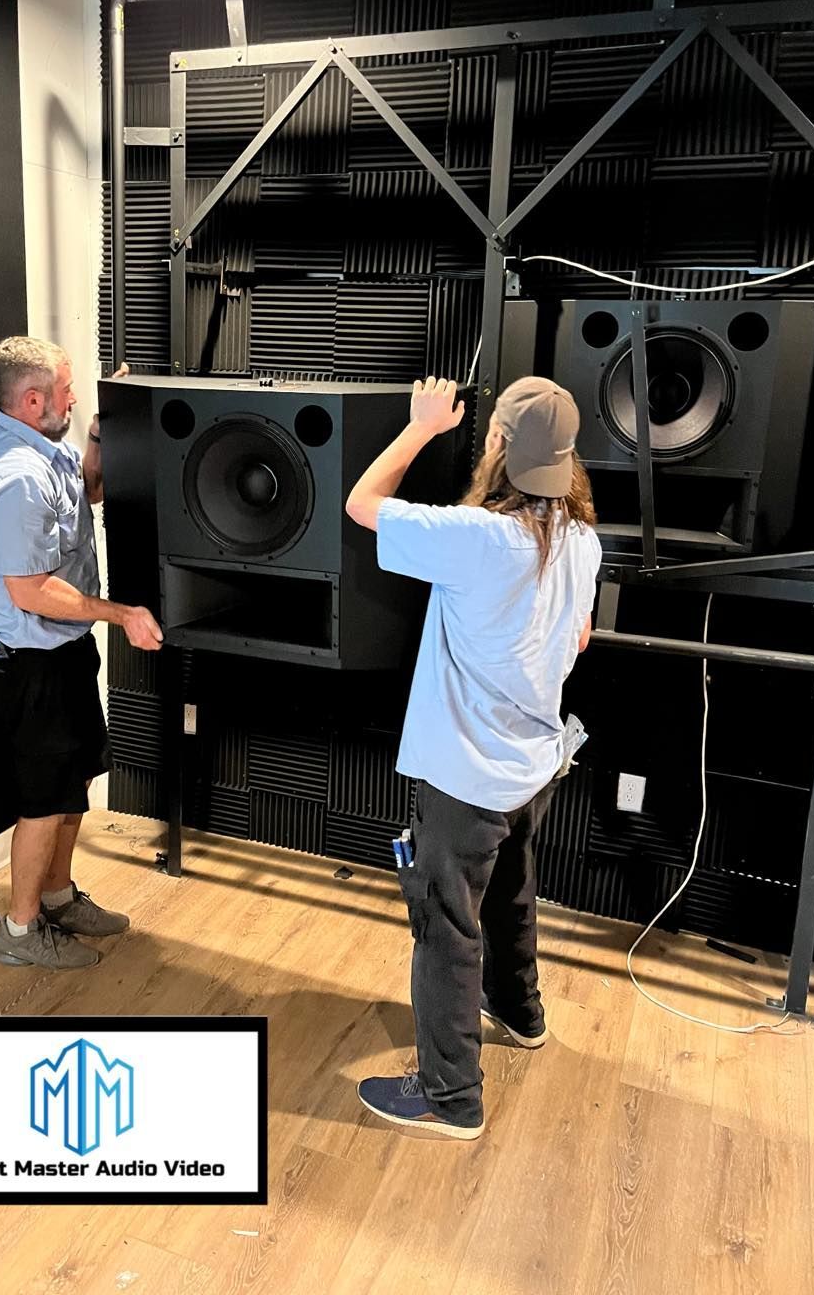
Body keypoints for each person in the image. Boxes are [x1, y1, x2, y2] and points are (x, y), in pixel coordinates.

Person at [345, 375, 601, 1139]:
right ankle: (521, 1013)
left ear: (496, 444)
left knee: (445, 925)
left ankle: (450, 1097)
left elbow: (362, 503)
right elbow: (580, 636)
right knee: (510, 892)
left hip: (465, 776)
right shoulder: (583, 540)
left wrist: (423, 426)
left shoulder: (478, 538)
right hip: (532, 767)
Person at [0, 336, 163, 971]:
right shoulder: (18, 477)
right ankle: (19, 932)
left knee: (72, 782)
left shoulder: (38, 447)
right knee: (44, 800)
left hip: (63, 651)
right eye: (66, 391)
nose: (73, 399)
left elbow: (87, 490)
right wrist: (122, 614)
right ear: (32, 400)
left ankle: (58, 898)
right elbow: (31, 590)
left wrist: (98, 437)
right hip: (31, 664)